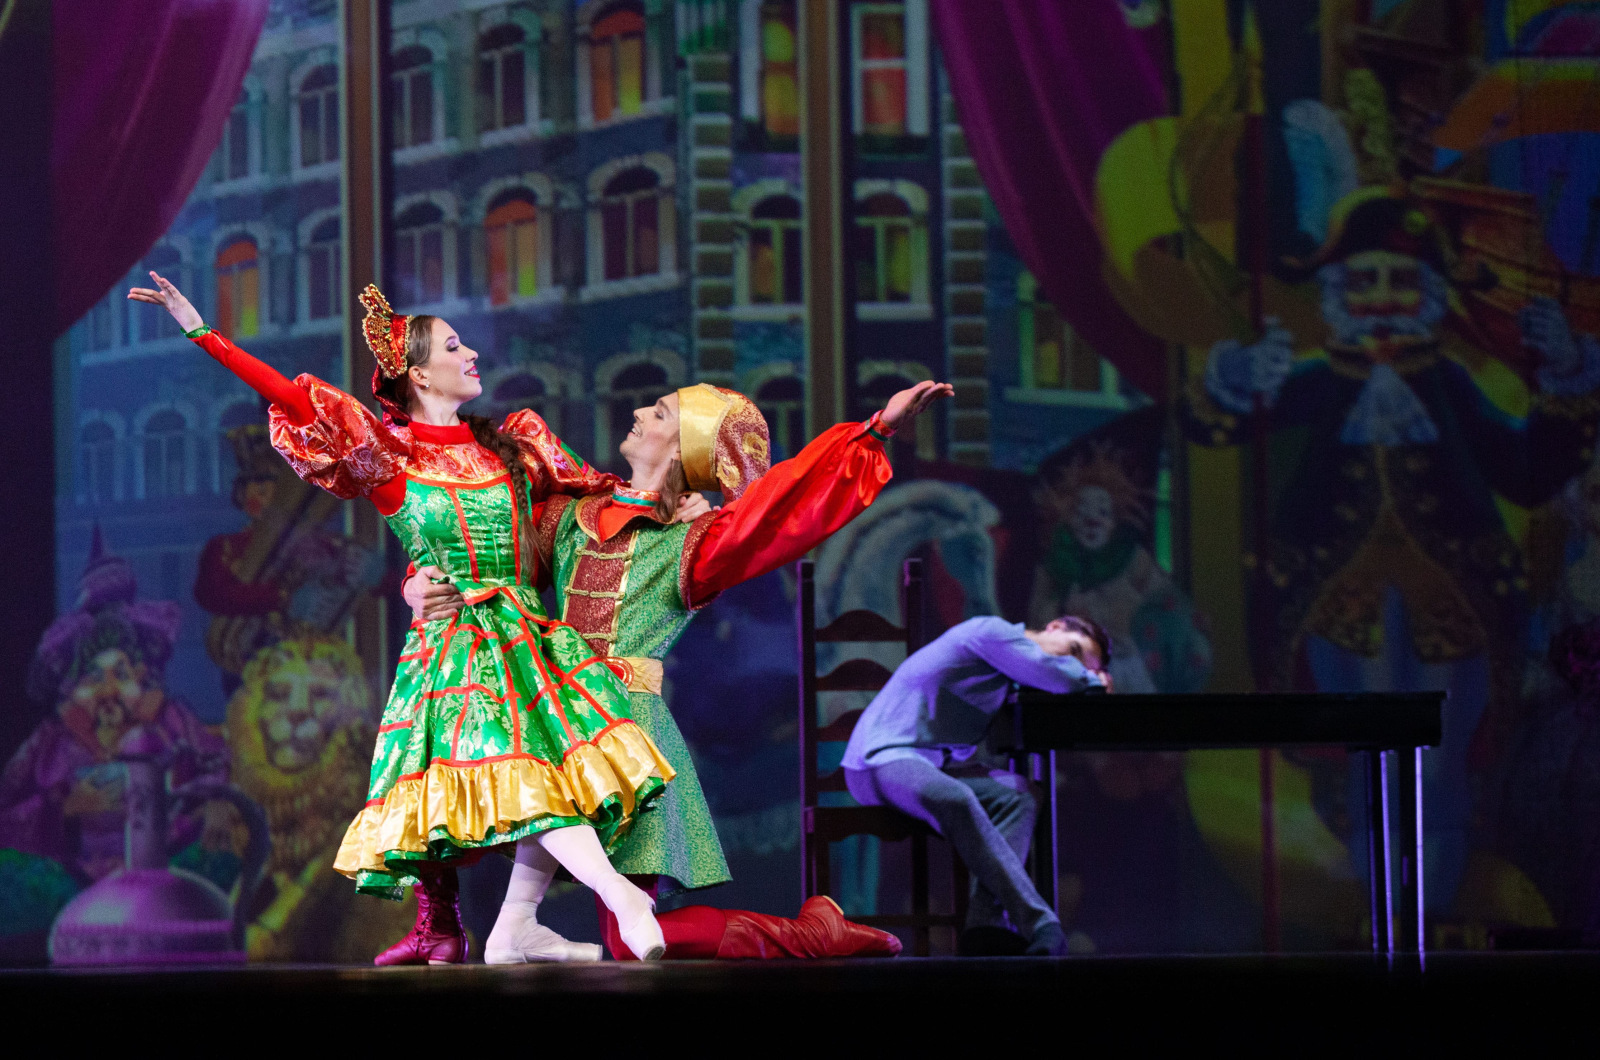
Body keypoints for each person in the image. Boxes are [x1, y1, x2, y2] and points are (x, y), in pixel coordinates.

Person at [128, 273, 678, 965]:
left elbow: (591, 500)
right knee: (523, 771)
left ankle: (516, 926)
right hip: (457, 647)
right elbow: (294, 398)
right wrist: (202, 332)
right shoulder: (392, 460)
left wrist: (668, 505)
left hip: (528, 632)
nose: (470, 353)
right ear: (418, 375)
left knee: (551, 773)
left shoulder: (514, 443)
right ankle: (617, 895)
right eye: (453, 346)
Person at [405, 378, 951, 960]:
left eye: (661, 412)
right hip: (557, 728)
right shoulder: (568, 515)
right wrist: (418, 584)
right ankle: (494, 927)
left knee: (626, 943)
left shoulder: (694, 541)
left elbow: (782, 503)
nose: (641, 408)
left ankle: (813, 934)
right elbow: (480, 546)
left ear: (682, 451)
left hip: (629, 735)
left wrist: (876, 430)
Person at [840, 614, 1111, 956]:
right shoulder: (992, 632)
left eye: (1081, 663)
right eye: (1072, 651)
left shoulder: (1012, 671)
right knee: (957, 798)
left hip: (930, 764)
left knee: (1021, 795)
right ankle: (1041, 923)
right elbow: (1057, 675)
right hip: (878, 760)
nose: (1070, 664)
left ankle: (986, 926)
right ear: (1055, 626)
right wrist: (1092, 679)